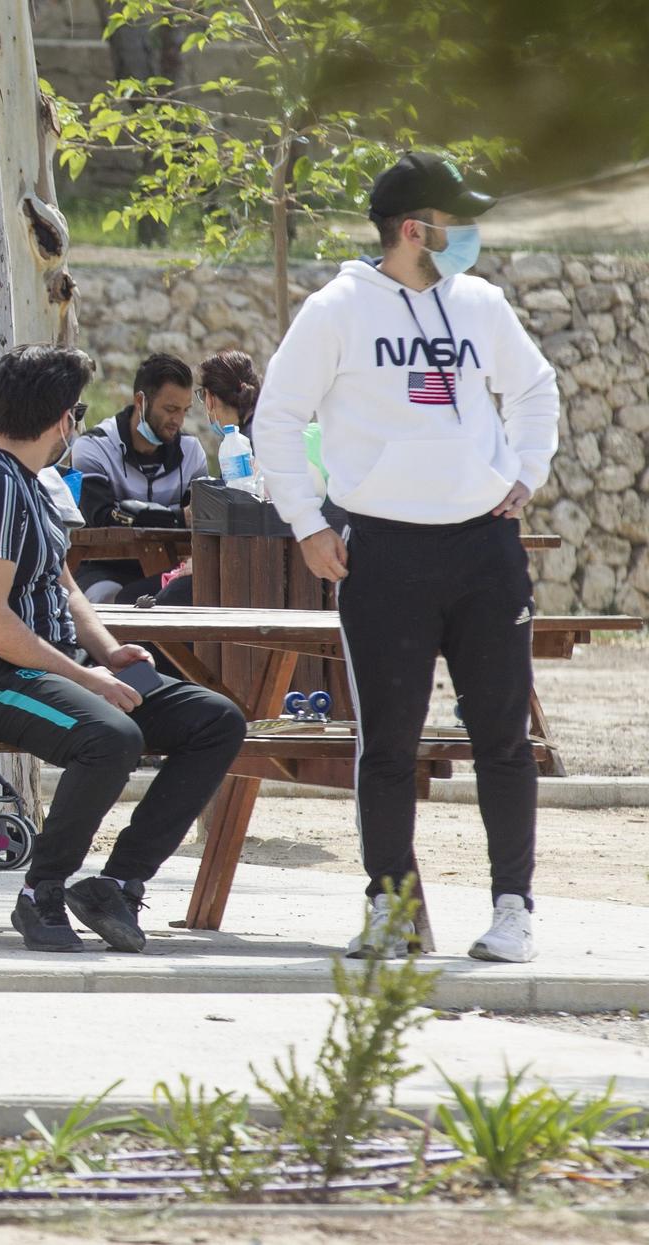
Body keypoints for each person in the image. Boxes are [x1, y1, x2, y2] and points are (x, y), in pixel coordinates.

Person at [252, 151, 560, 963]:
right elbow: (277, 417)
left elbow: (535, 389)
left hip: (485, 549)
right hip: (382, 552)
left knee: (503, 735)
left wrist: (525, 473)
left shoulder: (483, 305)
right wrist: (308, 524)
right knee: (387, 743)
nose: (472, 234)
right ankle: (391, 908)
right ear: (415, 229)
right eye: (458, 220)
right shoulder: (337, 310)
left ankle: (513, 909)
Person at [0, 344, 245, 954]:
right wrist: (88, 677)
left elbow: (61, 582)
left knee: (215, 721)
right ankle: (41, 892)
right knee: (111, 738)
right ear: (62, 419)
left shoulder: (30, 482)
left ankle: (118, 885)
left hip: (49, 666)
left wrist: (108, 650)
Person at [70, 353, 208, 605]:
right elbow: (101, 516)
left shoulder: (191, 451)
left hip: (170, 567)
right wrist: (178, 516)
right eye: (170, 409)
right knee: (109, 598)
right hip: (103, 567)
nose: (178, 420)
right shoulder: (93, 447)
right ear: (140, 401)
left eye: (184, 411)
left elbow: (201, 519)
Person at [154, 349, 264, 607]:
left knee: (146, 603)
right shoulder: (267, 433)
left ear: (211, 399)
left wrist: (202, 563)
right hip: (269, 571)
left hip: (243, 576)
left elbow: (244, 523)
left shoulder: (242, 448)